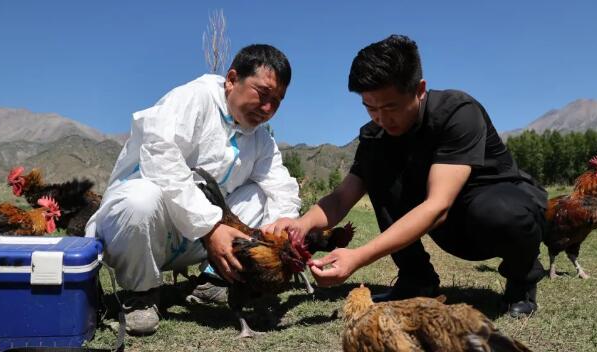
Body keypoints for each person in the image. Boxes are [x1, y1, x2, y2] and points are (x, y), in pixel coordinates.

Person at [266, 35, 547, 318]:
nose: (381, 118)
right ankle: (416, 280)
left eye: (390, 107)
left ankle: (521, 281)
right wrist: (302, 225)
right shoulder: (375, 136)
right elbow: (341, 198)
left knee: (503, 213)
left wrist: (359, 257)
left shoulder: (457, 113)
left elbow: (438, 206)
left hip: (494, 214)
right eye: (370, 108)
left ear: (419, 89)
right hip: (444, 223)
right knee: (376, 168)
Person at [85, 44, 301, 335]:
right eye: (263, 94)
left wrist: (285, 222)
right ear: (232, 79)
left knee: (264, 196)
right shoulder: (193, 99)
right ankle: (142, 294)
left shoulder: (260, 138)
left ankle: (213, 281)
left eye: (277, 101)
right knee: (139, 200)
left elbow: (279, 183)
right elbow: (160, 157)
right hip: (145, 234)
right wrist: (210, 227)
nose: (268, 109)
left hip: (200, 241)